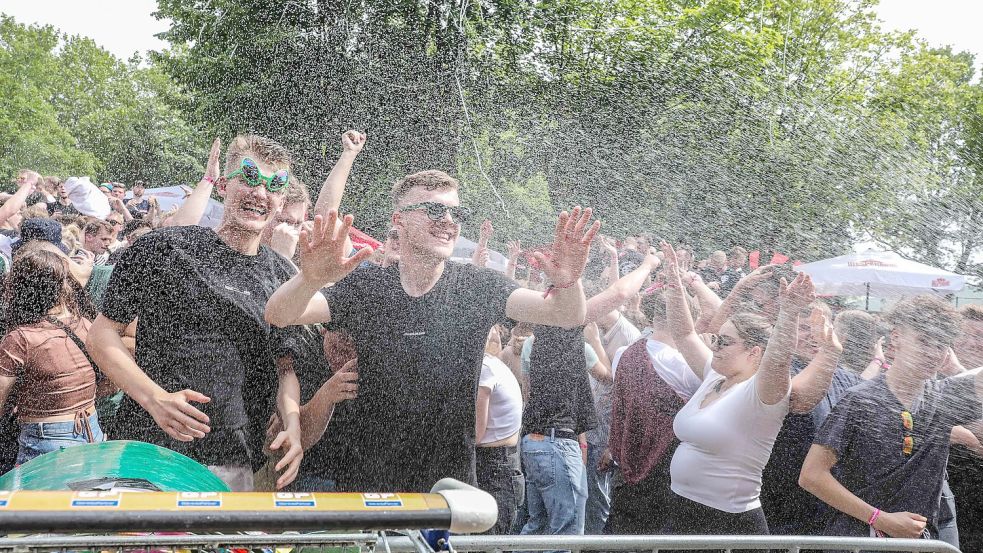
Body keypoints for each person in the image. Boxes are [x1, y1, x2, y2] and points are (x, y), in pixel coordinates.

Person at [265, 169, 600, 492]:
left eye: (457, 213)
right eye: (434, 210)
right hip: (369, 489)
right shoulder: (368, 287)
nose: (449, 221)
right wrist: (309, 279)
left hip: (447, 490)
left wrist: (569, 281)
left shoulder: (476, 286)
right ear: (399, 219)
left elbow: (564, 314)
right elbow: (280, 315)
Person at [87, 135, 305, 491]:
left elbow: (285, 366)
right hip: (149, 450)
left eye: (274, 185)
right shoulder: (167, 248)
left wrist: (292, 425)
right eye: (249, 178)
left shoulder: (282, 277)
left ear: (281, 200)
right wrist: (153, 398)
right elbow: (100, 334)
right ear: (223, 184)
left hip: (234, 460)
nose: (260, 193)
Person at [661, 242, 828, 538]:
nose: (715, 346)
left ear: (753, 353)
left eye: (725, 342)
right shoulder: (715, 376)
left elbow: (777, 362)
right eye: (717, 339)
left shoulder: (763, 394)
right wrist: (674, 282)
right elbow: (684, 333)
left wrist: (789, 313)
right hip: (681, 510)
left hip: (728, 524)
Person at [799, 296, 983, 544]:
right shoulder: (860, 400)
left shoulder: (943, 397)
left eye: (941, 346)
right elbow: (811, 475)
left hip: (922, 541)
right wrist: (881, 518)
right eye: (924, 341)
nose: (932, 353)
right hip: (860, 541)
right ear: (896, 337)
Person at [605, 290, 704, 535]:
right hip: (663, 473)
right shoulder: (682, 367)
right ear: (685, 321)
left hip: (624, 468)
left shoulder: (622, 354)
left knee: (618, 537)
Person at [0, 249, 104, 463]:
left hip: (46, 439)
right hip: (93, 431)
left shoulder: (21, 339)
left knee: (35, 498)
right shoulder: (83, 325)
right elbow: (113, 381)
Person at [476, 325, 524, 535]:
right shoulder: (492, 364)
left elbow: (475, 434)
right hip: (502, 464)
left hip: (494, 467)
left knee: (486, 543)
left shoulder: (484, 368)